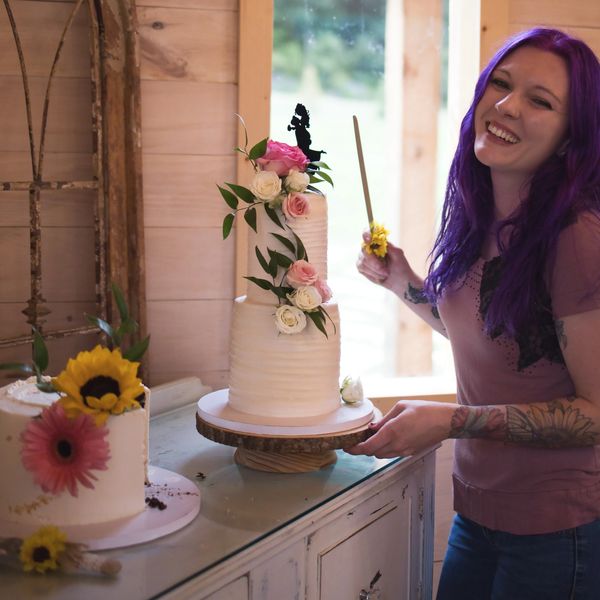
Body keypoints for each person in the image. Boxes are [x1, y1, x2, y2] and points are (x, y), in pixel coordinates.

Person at [346, 28, 600, 600]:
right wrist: (404, 284)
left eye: (541, 100)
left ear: (568, 139)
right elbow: (497, 335)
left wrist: (451, 419)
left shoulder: (577, 239)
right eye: (501, 85)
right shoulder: (481, 216)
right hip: (479, 513)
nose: (507, 106)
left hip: (557, 530)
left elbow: (597, 413)